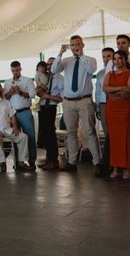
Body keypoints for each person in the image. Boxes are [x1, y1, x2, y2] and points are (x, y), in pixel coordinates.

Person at [51, 35, 101, 173]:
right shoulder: (66, 61)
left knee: (90, 131)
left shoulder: (90, 60)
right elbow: (54, 70)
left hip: (84, 100)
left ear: (83, 45)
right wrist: (60, 53)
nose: (75, 47)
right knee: (70, 132)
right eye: (72, 45)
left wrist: (81, 56)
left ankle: (97, 162)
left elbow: (91, 70)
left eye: (78, 44)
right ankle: (72, 162)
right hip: (68, 102)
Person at [104, 50, 130, 179]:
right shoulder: (109, 74)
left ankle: (128, 168)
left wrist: (113, 91)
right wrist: (119, 88)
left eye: (120, 58)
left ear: (125, 60)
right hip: (111, 108)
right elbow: (105, 88)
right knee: (114, 138)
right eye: (115, 59)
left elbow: (129, 88)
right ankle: (115, 167)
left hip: (125, 108)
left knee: (126, 136)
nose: (117, 61)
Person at [3, 61, 36, 169]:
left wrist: (20, 92)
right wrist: (11, 92)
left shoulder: (28, 80)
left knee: (30, 136)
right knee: (17, 137)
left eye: (17, 70)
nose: (15, 72)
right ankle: (17, 162)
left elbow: (32, 95)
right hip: (13, 113)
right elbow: (5, 98)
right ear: (11, 70)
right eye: (13, 70)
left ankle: (31, 161)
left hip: (25, 111)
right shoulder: (7, 82)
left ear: (20, 69)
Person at [37, 57, 64, 171]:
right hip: (42, 107)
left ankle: (54, 161)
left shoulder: (60, 78)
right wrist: (40, 93)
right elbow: (42, 93)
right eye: (47, 64)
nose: (49, 67)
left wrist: (47, 96)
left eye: (51, 64)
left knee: (50, 134)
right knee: (44, 135)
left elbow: (61, 98)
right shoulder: (47, 77)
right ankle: (48, 159)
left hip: (51, 107)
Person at [94, 47, 114, 177]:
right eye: (104, 57)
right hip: (103, 105)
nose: (106, 59)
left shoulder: (118, 72)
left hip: (117, 104)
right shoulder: (100, 73)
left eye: (108, 56)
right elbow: (98, 91)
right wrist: (97, 107)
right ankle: (110, 163)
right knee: (108, 135)